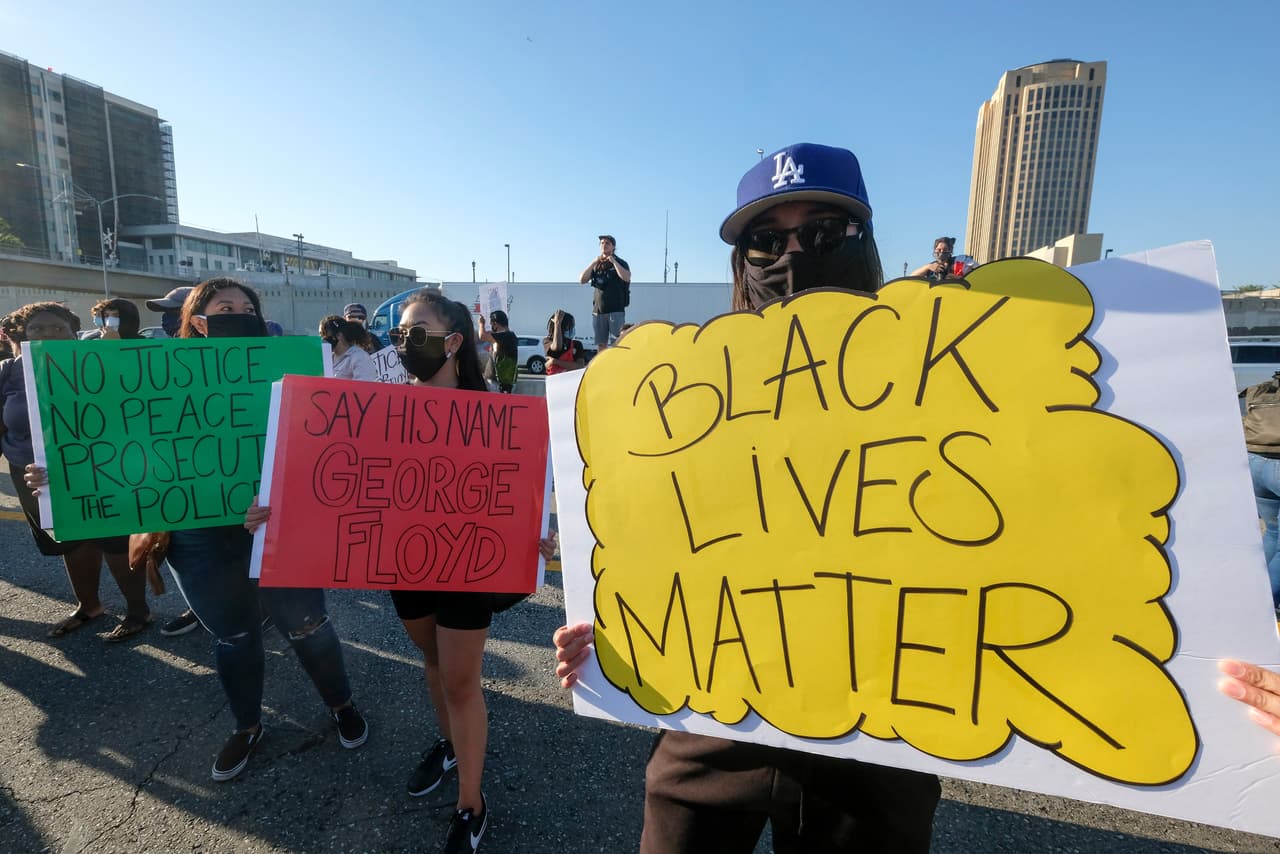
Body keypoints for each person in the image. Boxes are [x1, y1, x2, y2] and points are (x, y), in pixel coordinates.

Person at [555, 143, 942, 853]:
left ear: (863, 243)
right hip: (713, 721)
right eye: (766, 240)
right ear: (743, 261)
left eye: (823, 234)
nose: (793, 256)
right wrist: (602, 625)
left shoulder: (945, 380)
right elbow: (649, 539)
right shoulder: (686, 393)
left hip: (876, 739)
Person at [250, 288, 554, 853]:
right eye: (397, 335)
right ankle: (450, 744)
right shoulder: (380, 410)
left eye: (415, 333)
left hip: (466, 565)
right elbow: (328, 480)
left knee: (461, 679)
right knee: (434, 660)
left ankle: (471, 803)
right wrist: (271, 512)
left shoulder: (497, 415)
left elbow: (521, 497)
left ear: (453, 342)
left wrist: (540, 535)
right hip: (405, 562)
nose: (402, 344)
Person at [159, 277, 369, 781]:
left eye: (246, 307)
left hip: (274, 526)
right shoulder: (162, 377)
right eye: (223, 308)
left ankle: (341, 704)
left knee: (308, 625)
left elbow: (320, 447)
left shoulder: (288, 369)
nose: (237, 314)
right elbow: (130, 449)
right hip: (199, 534)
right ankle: (247, 726)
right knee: (234, 637)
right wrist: (60, 480)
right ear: (197, 322)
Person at [3, 302, 151, 642]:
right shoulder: (9, 372)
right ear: (23, 336)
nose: (48, 335)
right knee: (70, 542)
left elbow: (133, 406)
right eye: (37, 329)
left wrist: (115, 356)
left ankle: (138, 611)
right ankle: (88, 606)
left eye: (58, 328)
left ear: (75, 334)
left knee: (115, 542)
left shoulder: (97, 361)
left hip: (99, 469)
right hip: (35, 477)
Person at [1241, 372, 1280, 614]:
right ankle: (1263, 608)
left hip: (1255, 462)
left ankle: (1249, 593)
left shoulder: (1266, 388)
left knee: (1273, 532)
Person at [578, 234, 630, 350]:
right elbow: (582, 280)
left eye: (607, 243)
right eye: (602, 243)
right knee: (601, 344)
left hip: (615, 310)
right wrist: (593, 263)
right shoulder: (597, 264)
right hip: (598, 311)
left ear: (613, 247)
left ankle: (617, 362)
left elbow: (627, 277)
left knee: (617, 343)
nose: (604, 245)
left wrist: (614, 262)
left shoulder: (621, 262)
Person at [319, 315, 378, 381]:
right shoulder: (326, 359)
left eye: (323, 334)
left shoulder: (360, 357)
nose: (321, 339)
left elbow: (365, 385)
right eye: (320, 335)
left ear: (339, 335)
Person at [477, 310, 518, 393]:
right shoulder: (507, 336)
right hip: (500, 382)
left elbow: (482, 336)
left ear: (495, 324)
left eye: (491, 324)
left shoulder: (505, 336)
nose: (491, 327)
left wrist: (481, 324)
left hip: (498, 383)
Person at [543, 310, 585, 374]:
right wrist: (558, 324)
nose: (572, 329)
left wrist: (555, 361)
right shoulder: (548, 341)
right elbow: (557, 347)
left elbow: (580, 366)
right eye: (570, 327)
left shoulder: (577, 344)